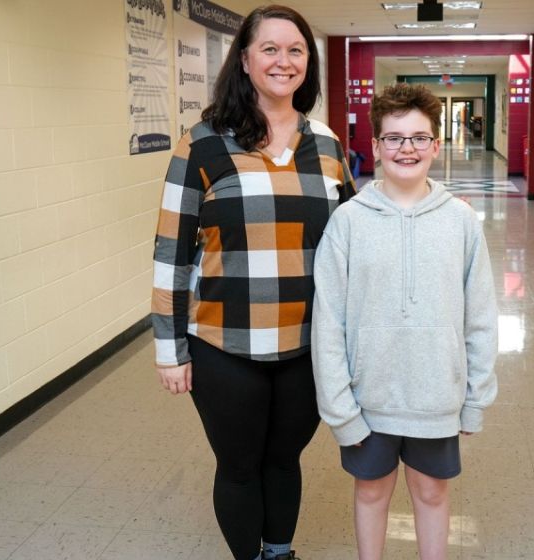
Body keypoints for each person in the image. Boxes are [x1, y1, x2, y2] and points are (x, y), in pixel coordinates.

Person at [151, 6, 356, 560]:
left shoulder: (329, 145)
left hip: (308, 345)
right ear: (244, 60)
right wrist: (170, 350)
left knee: (284, 460)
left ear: (308, 63)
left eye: (295, 50)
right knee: (239, 466)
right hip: (225, 344)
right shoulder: (202, 145)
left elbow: (356, 244)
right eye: (269, 48)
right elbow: (171, 254)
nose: (283, 61)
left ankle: (279, 551)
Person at [311, 83, 498, 560]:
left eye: (418, 138)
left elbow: (480, 316)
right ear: (374, 147)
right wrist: (338, 406)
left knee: (433, 494)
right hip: (367, 397)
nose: (406, 149)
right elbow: (328, 322)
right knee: (371, 493)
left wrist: (475, 397)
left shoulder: (460, 221)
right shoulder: (348, 222)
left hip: (436, 396)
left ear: (437, 145)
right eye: (394, 138)